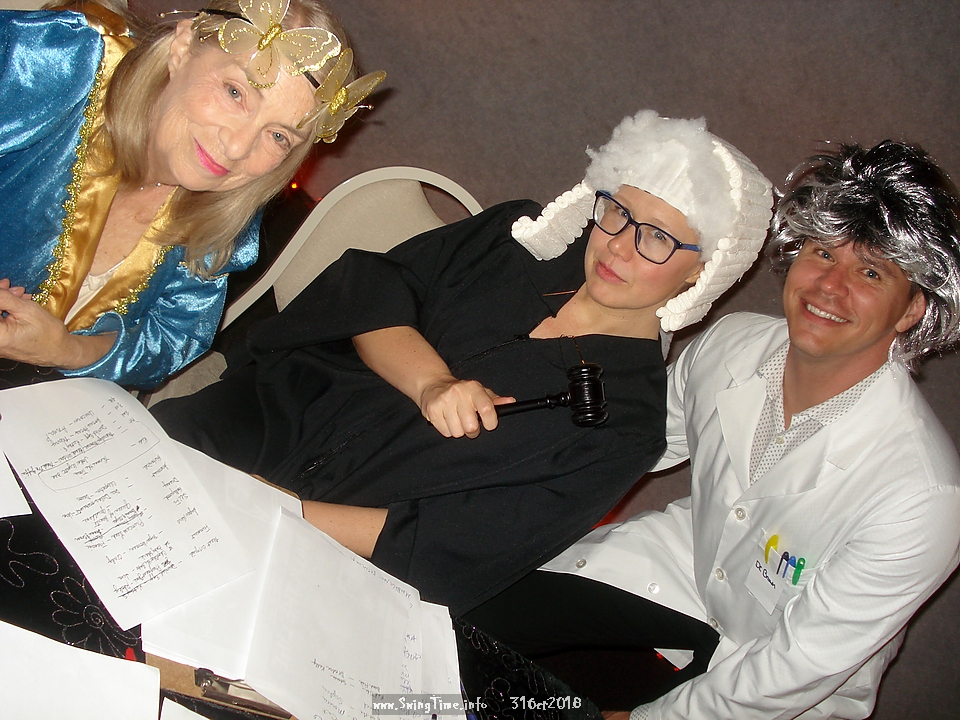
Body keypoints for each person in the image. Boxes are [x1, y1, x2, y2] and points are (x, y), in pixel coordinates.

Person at [152, 109, 773, 615]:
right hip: (258, 418)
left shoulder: (625, 426)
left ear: (704, 270)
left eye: (658, 237)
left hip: (326, 548)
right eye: (619, 212)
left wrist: (278, 510)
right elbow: (369, 289)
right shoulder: (510, 240)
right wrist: (432, 383)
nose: (619, 247)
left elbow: (458, 549)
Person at [465, 140, 960, 719]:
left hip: (785, 672)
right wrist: (476, 504)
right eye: (823, 251)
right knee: (467, 612)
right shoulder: (731, 343)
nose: (830, 285)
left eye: (870, 272)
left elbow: (797, 667)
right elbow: (622, 450)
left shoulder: (924, 498)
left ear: (912, 309)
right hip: (683, 568)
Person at [0, 0, 384, 388]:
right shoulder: (62, 63)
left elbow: (172, 338)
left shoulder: (225, 206)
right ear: (183, 48)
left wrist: (64, 350)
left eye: (278, 135)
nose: (237, 147)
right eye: (235, 92)